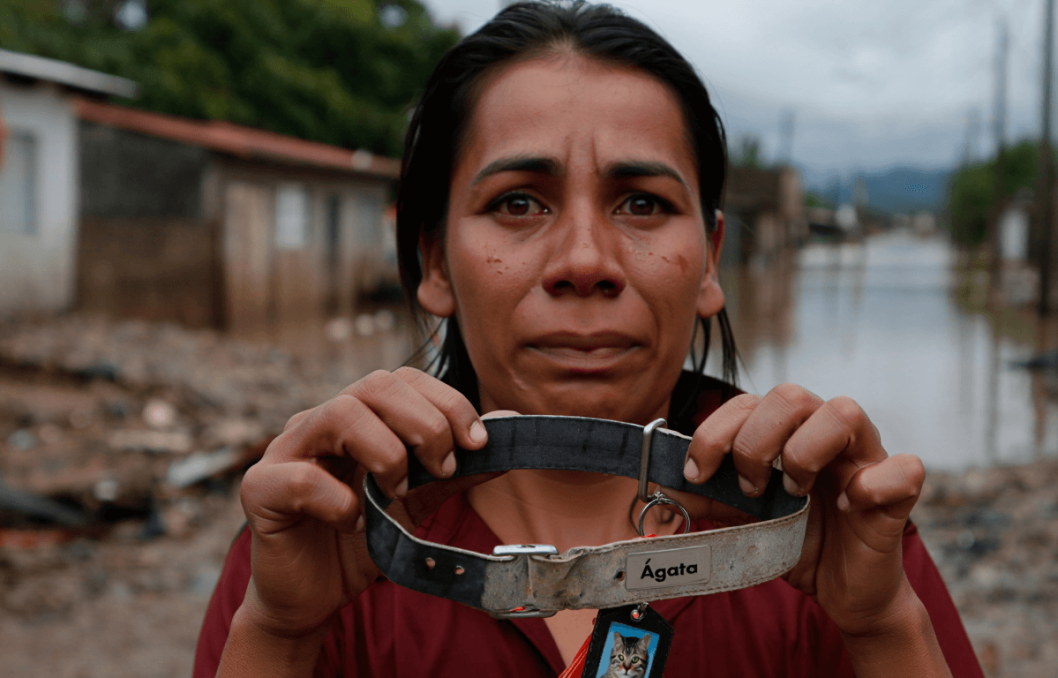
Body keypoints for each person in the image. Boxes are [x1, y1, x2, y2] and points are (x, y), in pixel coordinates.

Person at [196, 2, 984, 676]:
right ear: (434, 260)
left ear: (710, 261)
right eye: (518, 203)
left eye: (642, 204)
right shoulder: (328, 536)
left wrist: (882, 626)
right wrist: (280, 634)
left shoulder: (824, 536)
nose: (584, 262)